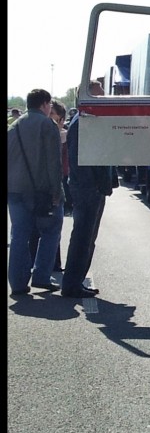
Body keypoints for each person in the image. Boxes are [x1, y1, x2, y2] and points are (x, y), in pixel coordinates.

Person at [61, 86, 117, 297]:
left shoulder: (84, 121)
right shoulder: (82, 122)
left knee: (85, 237)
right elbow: (80, 160)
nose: (102, 99)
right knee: (83, 237)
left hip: (89, 187)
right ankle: (73, 284)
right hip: (87, 188)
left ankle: (75, 282)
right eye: (98, 94)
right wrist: (93, 186)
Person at [7, 89, 64, 295]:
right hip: (40, 191)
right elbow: (53, 163)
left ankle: (18, 282)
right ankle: (41, 275)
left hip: (14, 190)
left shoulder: (13, 126)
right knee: (51, 231)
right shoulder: (46, 125)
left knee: (19, 235)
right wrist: (56, 192)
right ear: (45, 104)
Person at [27, 100, 68, 276]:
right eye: (49, 114)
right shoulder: (43, 132)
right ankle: (38, 266)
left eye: (53, 115)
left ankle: (53, 264)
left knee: (52, 227)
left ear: (61, 118)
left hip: (58, 182)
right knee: (41, 227)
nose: (49, 118)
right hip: (41, 185)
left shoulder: (64, 135)